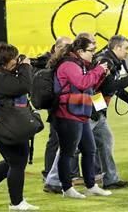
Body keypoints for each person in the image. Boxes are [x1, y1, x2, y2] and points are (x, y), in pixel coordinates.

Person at [49, 36, 113, 199]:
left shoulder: (79, 64)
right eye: (91, 50)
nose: (93, 54)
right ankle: (67, 188)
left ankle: (91, 185)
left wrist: (101, 74)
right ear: (79, 51)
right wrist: (98, 70)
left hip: (80, 113)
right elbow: (82, 83)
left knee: (89, 150)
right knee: (68, 153)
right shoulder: (69, 64)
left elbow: (89, 87)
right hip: (68, 114)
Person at [0, 43, 40, 210]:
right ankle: (16, 203)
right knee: (17, 163)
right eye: (15, 58)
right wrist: (25, 66)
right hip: (0, 127)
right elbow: (24, 86)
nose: (17, 61)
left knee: (13, 161)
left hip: (3, 126)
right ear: (7, 61)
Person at [89, 36, 128, 189]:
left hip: (95, 104)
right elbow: (108, 87)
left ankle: (110, 179)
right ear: (117, 48)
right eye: (126, 48)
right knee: (73, 145)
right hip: (90, 105)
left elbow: (111, 86)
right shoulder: (106, 62)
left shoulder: (111, 62)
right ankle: (54, 180)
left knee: (105, 140)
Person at [38, 37, 72, 183]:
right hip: (56, 105)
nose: (67, 49)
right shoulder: (48, 62)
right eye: (65, 46)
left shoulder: (65, 61)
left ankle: (66, 173)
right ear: (56, 47)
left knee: (64, 141)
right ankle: (49, 172)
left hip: (67, 105)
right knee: (55, 139)